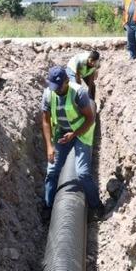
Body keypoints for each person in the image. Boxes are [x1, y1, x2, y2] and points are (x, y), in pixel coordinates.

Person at [40, 66, 109, 220]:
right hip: (62, 134)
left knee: (82, 173)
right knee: (52, 172)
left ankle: (96, 205)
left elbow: (90, 118)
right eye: (53, 86)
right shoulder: (48, 93)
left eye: (58, 87)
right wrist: (50, 147)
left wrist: (74, 134)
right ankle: (48, 206)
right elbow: (45, 121)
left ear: (66, 82)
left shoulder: (79, 93)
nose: (55, 90)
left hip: (81, 132)